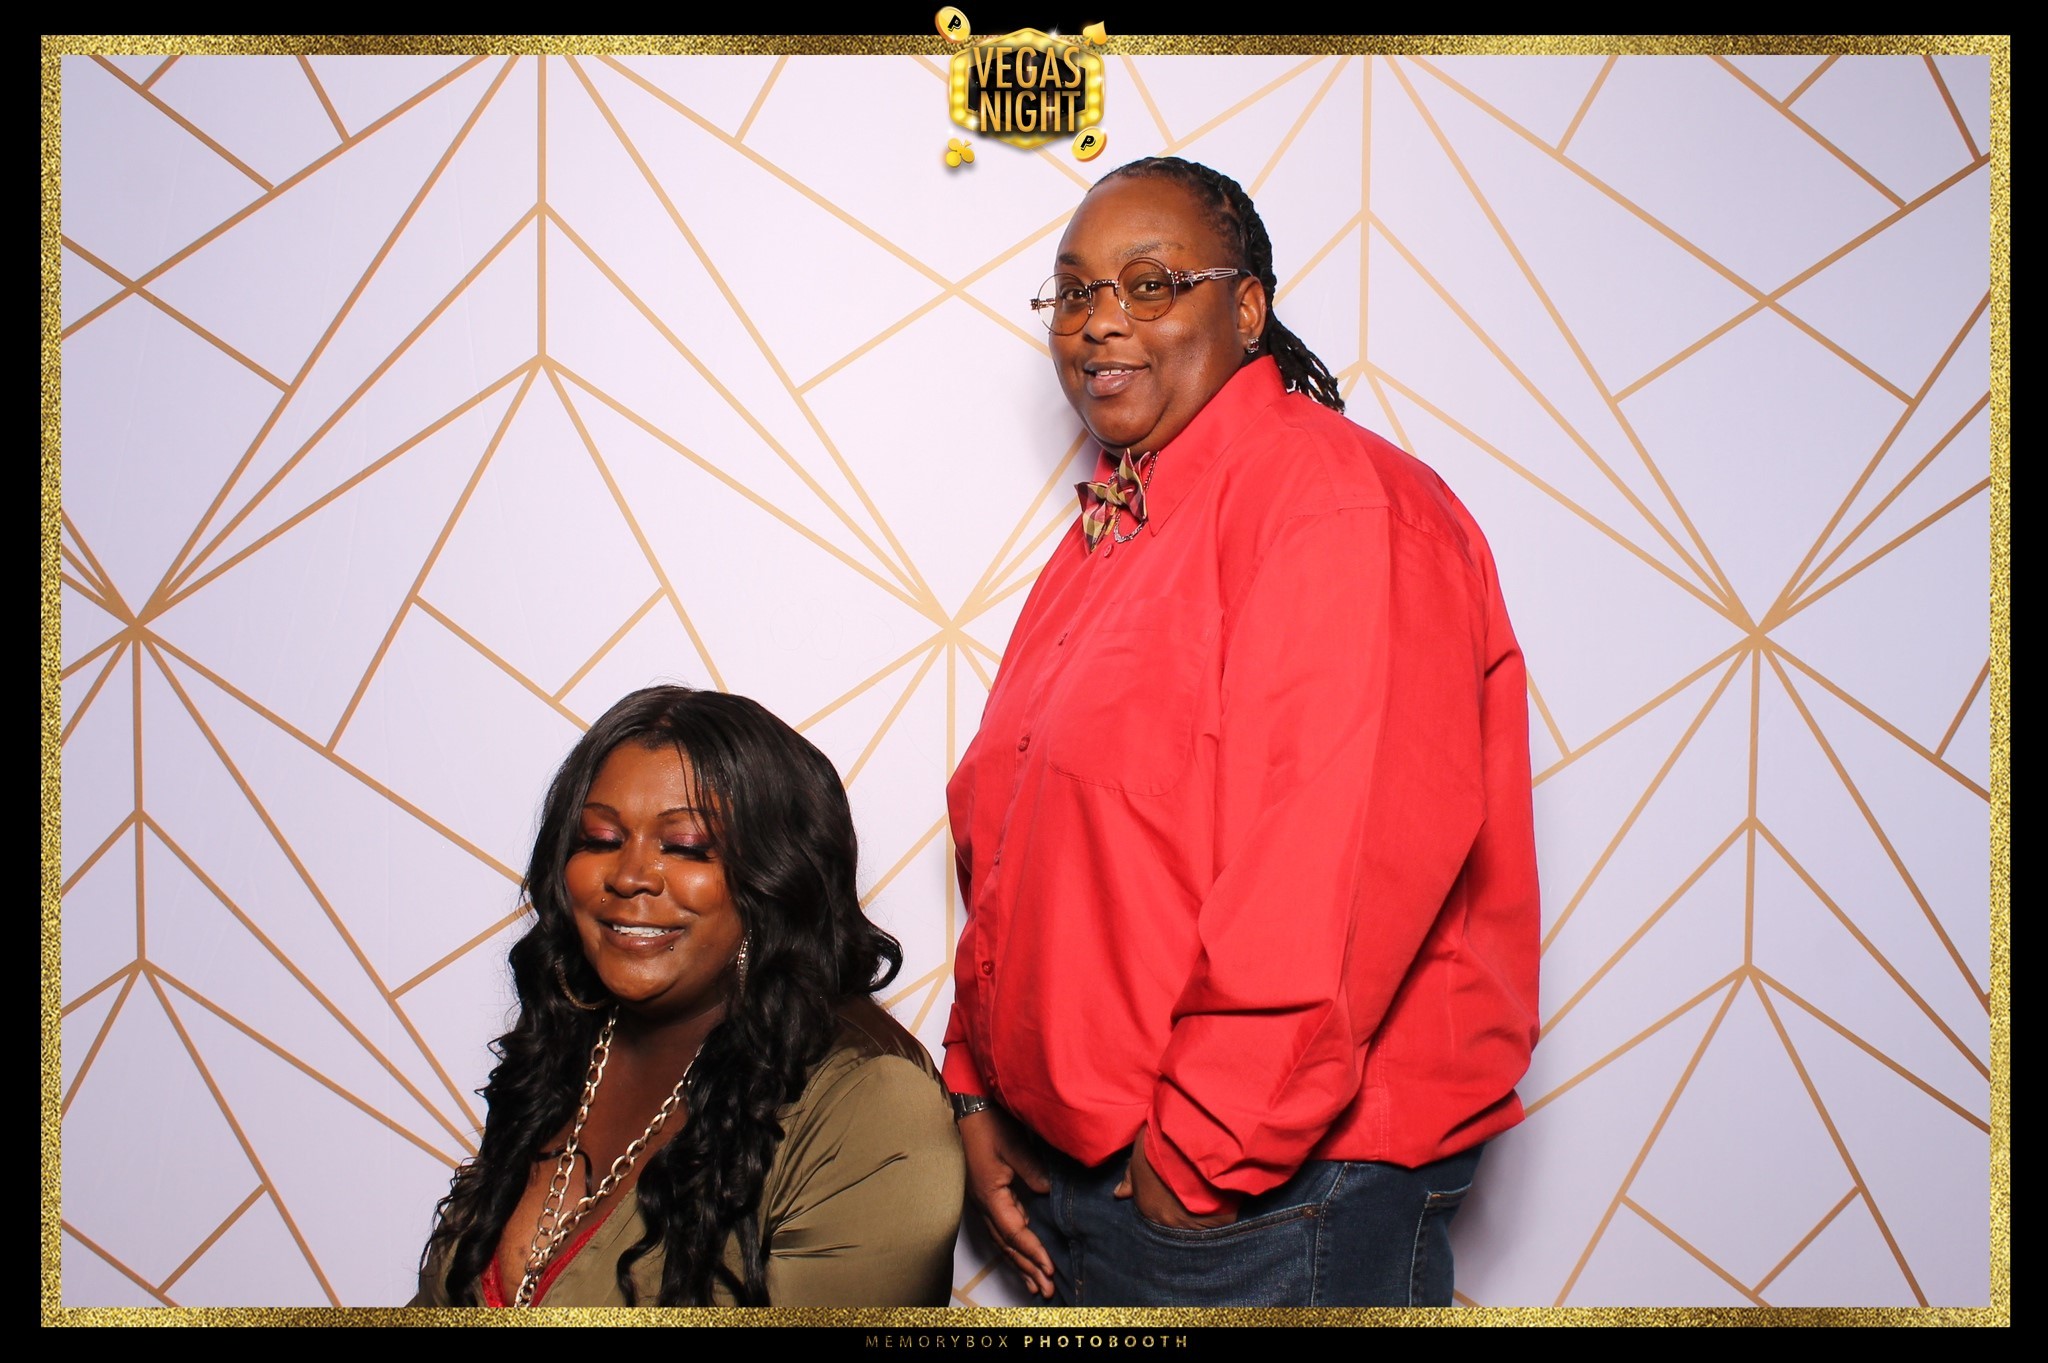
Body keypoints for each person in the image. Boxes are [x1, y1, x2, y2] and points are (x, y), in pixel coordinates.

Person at [942, 157, 1540, 1307]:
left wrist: (1200, 1156)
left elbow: (1334, 870)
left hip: (1261, 1203)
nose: (1100, 319)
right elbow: (1015, 834)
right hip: (1097, 1175)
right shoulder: (1113, 525)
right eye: (1074, 291)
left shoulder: (1336, 505)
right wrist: (979, 1085)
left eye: (1150, 283)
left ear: (1247, 308)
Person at [413, 686, 963, 1307]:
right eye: (601, 839)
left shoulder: (874, 1102)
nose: (629, 876)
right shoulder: (568, 1044)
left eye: (686, 847)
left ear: (774, 874)